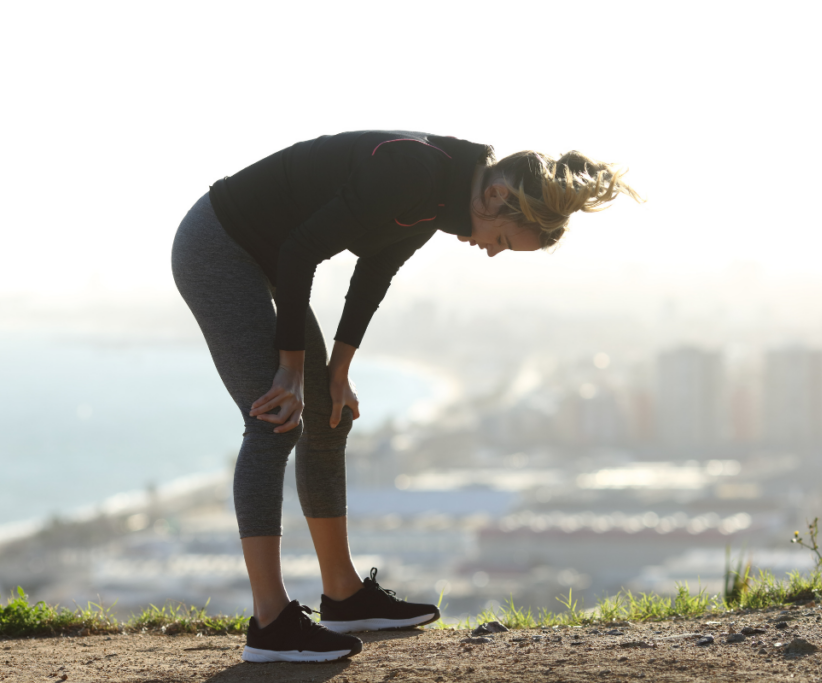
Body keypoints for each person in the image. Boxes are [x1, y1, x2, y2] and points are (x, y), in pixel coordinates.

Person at [171, 130, 640, 663]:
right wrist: (291, 370)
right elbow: (301, 250)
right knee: (275, 418)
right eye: (504, 240)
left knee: (329, 415)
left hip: (269, 257)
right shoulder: (412, 174)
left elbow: (375, 272)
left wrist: (338, 372)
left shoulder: (441, 197)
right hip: (218, 246)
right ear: (496, 197)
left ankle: (344, 596)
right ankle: (270, 622)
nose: (491, 251)